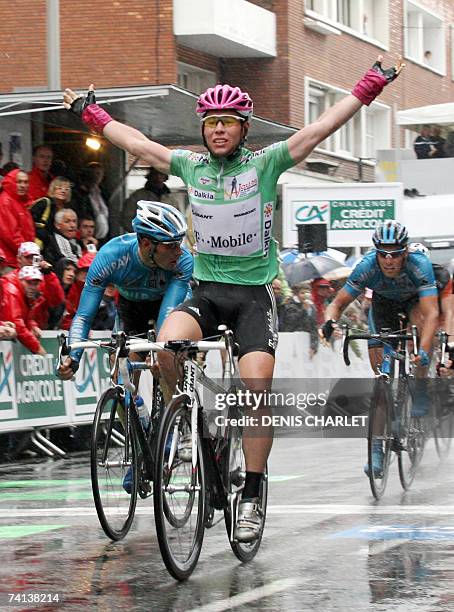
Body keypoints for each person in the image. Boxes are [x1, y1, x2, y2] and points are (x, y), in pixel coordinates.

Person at [63, 54, 404, 542]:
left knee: (254, 392)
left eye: (227, 123)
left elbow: (322, 126)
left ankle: (253, 493)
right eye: (211, 123)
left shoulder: (266, 164)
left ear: (243, 129)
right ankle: (188, 426)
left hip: (250, 299)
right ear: (203, 129)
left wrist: (373, 81)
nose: (218, 130)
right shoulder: (190, 165)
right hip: (205, 292)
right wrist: (92, 114)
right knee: (164, 350)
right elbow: (136, 141)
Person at [320, 221, 439, 476]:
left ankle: (419, 386)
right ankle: (377, 449)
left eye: (395, 253)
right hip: (383, 307)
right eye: (382, 252)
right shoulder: (366, 266)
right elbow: (337, 304)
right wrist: (329, 322)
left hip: (413, 303)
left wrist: (425, 352)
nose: (388, 259)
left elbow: (432, 314)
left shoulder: (420, 265)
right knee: (380, 380)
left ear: (405, 251)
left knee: (419, 331)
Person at [57, 201, 192, 379]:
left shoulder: (184, 261)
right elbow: (83, 316)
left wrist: (162, 350)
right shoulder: (111, 257)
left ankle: (176, 405)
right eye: (171, 245)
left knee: (165, 362)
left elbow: (168, 313)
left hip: (169, 305)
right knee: (121, 371)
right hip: (131, 309)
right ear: (146, 244)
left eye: (179, 243)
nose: (179, 252)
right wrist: (73, 358)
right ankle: (130, 403)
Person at [0, 266, 50, 355]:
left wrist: (32, 325)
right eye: (29, 282)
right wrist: (37, 347)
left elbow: (25, 317)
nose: (32, 287)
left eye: (35, 283)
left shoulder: (27, 295)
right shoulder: (11, 291)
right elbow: (17, 323)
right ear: (20, 280)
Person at [120, 167, 178, 233]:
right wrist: (143, 232)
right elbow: (127, 219)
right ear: (150, 176)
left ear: (165, 177)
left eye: (161, 174)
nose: (158, 177)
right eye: (155, 174)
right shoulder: (137, 197)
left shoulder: (171, 199)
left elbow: (176, 221)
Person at [0, 169, 35, 270]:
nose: (23, 185)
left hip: (21, 260)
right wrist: (30, 253)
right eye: (19, 182)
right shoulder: (5, 201)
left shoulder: (21, 201)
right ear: (11, 182)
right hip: (9, 261)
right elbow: (10, 235)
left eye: (25, 182)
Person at [31, 176, 74, 250]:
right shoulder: (44, 203)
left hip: (57, 246)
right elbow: (29, 221)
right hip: (40, 244)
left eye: (66, 189)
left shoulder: (68, 208)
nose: (63, 191)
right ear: (53, 189)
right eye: (59, 188)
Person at [73, 163, 110, 241]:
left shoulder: (103, 192)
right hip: (87, 234)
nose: (98, 176)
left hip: (103, 234)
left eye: (101, 173)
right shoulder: (80, 193)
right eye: (96, 173)